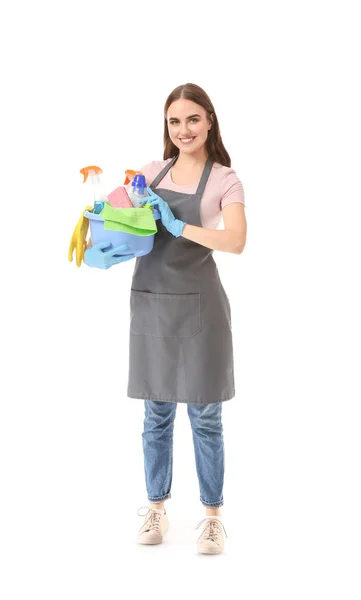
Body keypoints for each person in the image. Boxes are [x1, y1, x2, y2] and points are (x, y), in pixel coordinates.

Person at [85, 83, 247, 554]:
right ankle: (156, 511)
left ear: (210, 121)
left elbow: (236, 240)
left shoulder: (225, 180)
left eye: (193, 119)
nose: (184, 130)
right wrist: (101, 226)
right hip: (152, 300)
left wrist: (180, 227)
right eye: (174, 122)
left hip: (200, 306)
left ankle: (212, 517)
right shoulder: (151, 173)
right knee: (155, 412)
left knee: (205, 414)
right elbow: (127, 234)